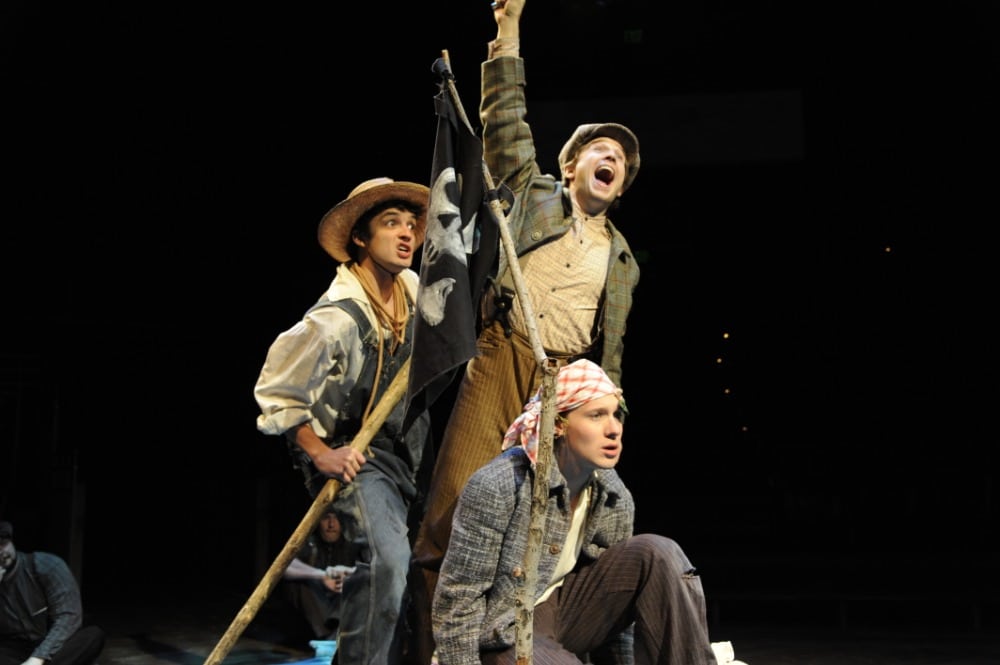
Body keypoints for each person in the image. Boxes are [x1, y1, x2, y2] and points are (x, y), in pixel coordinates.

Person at [410, 0, 642, 655]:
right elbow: (505, 120)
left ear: (620, 185)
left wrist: (605, 412)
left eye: (620, 159)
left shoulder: (621, 258)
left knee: (551, 525)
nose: (611, 158)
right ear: (570, 167)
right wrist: (507, 34)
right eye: (599, 149)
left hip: (566, 384)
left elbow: (611, 355)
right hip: (507, 351)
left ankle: (526, 646)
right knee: (455, 507)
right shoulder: (535, 193)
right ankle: (435, 649)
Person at [431, 360, 722, 665]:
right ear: (558, 424)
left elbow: (617, 612)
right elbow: (458, 600)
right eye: (596, 416)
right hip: (502, 634)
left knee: (657, 552)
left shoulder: (613, 496)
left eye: (616, 415)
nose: (613, 429)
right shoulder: (499, 485)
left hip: (565, 619)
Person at [254, 176, 434, 664]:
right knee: (385, 563)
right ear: (360, 237)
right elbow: (277, 391)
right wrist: (320, 453)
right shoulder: (335, 319)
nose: (406, 235)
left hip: (410, 450)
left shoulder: (413, 289)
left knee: (419, 573)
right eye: (390, 224)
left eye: (411, 225)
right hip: (356, 452)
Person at [0, 521, 106, 665]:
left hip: (56, 645)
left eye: (2, 543)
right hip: (19, 647)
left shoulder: (45, 566)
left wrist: (37, 659)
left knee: (93, 635)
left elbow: (68, 617)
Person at [277, 508, 359, 641]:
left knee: (356, 584)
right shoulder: (310, 542)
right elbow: (283, 566)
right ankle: (326, 637)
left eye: (336, 518)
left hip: (339, 606)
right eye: (326, 518)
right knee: (300, 583)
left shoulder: (351, 544)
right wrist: (322, 575)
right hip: (316, 606)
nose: (331, 524)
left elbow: (373, 569)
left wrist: (348, 574)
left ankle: (336, 634)